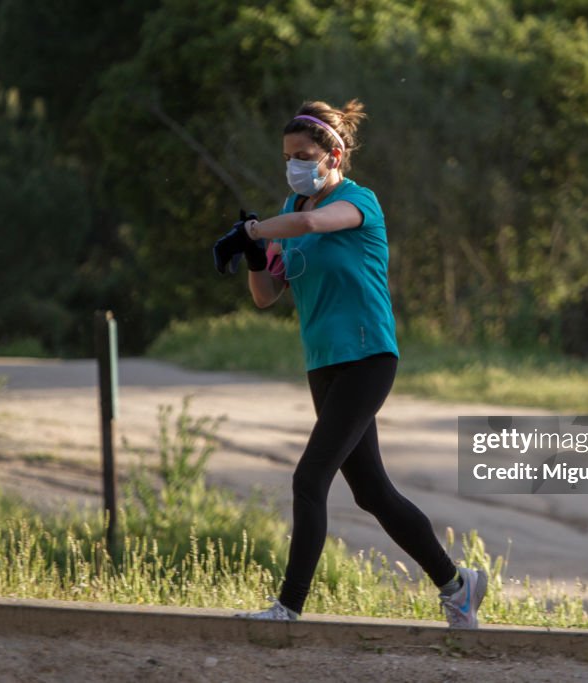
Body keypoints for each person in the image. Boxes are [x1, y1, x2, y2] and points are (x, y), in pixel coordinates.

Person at [212, 99, 487, 628]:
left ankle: (288, 608)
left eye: (304, 154)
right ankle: (458, 587)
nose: (294, 164)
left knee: (309, 478)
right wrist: (253, 253)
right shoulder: (290, 208)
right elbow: (267, 294)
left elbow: (314, 221)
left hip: (367, 358)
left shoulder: (358, 203)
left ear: (334, 154)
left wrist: (255, 231)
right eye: (288, 156)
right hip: (325, 363)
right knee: (372, 492)